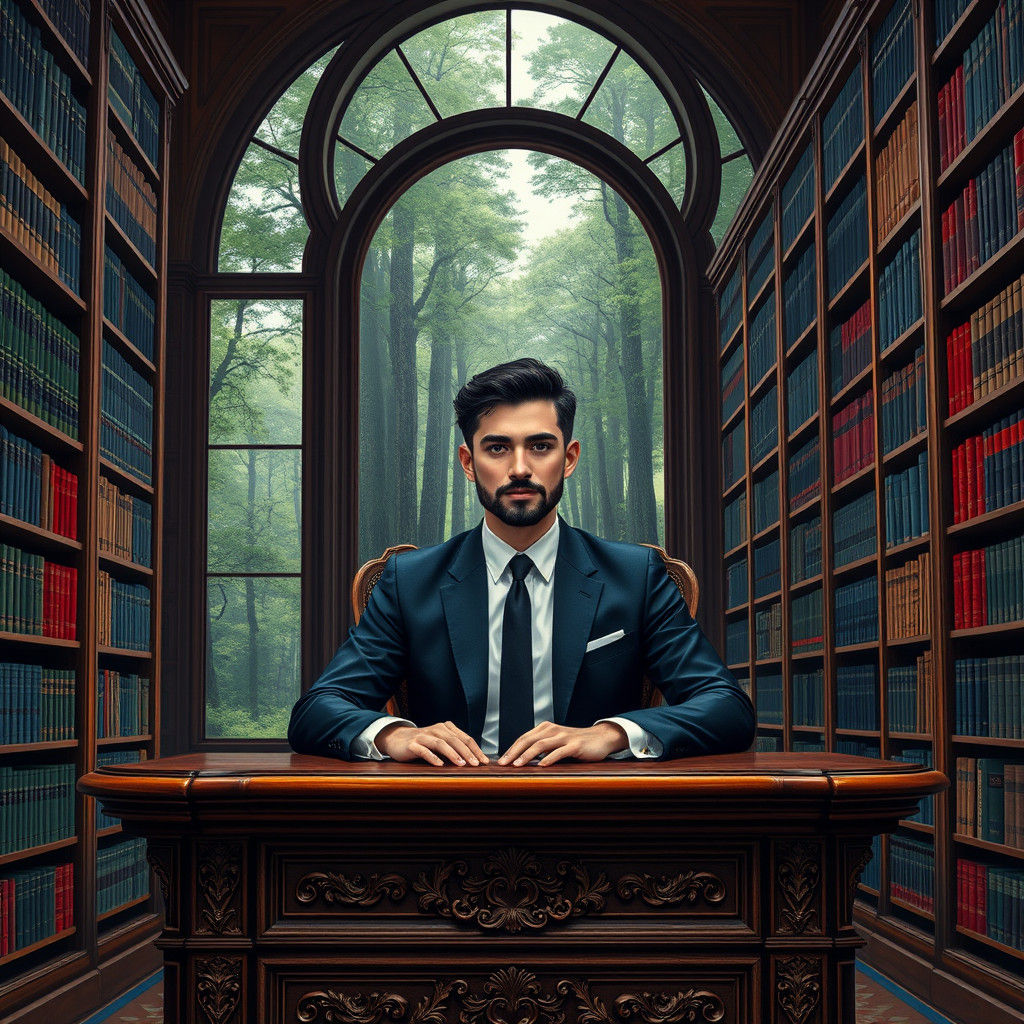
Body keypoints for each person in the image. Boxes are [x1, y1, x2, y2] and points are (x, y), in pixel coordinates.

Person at [288, 358, 755, 765]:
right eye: (497, 448)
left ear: (568, 458)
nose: (519, 468)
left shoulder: (636, 577)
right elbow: (318, 710)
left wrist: (608, 734)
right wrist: (395, 735)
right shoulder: (410, 582)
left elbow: (726, 707)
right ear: (468, 463)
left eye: (540, 446)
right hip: (444, 813)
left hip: (596, 812)